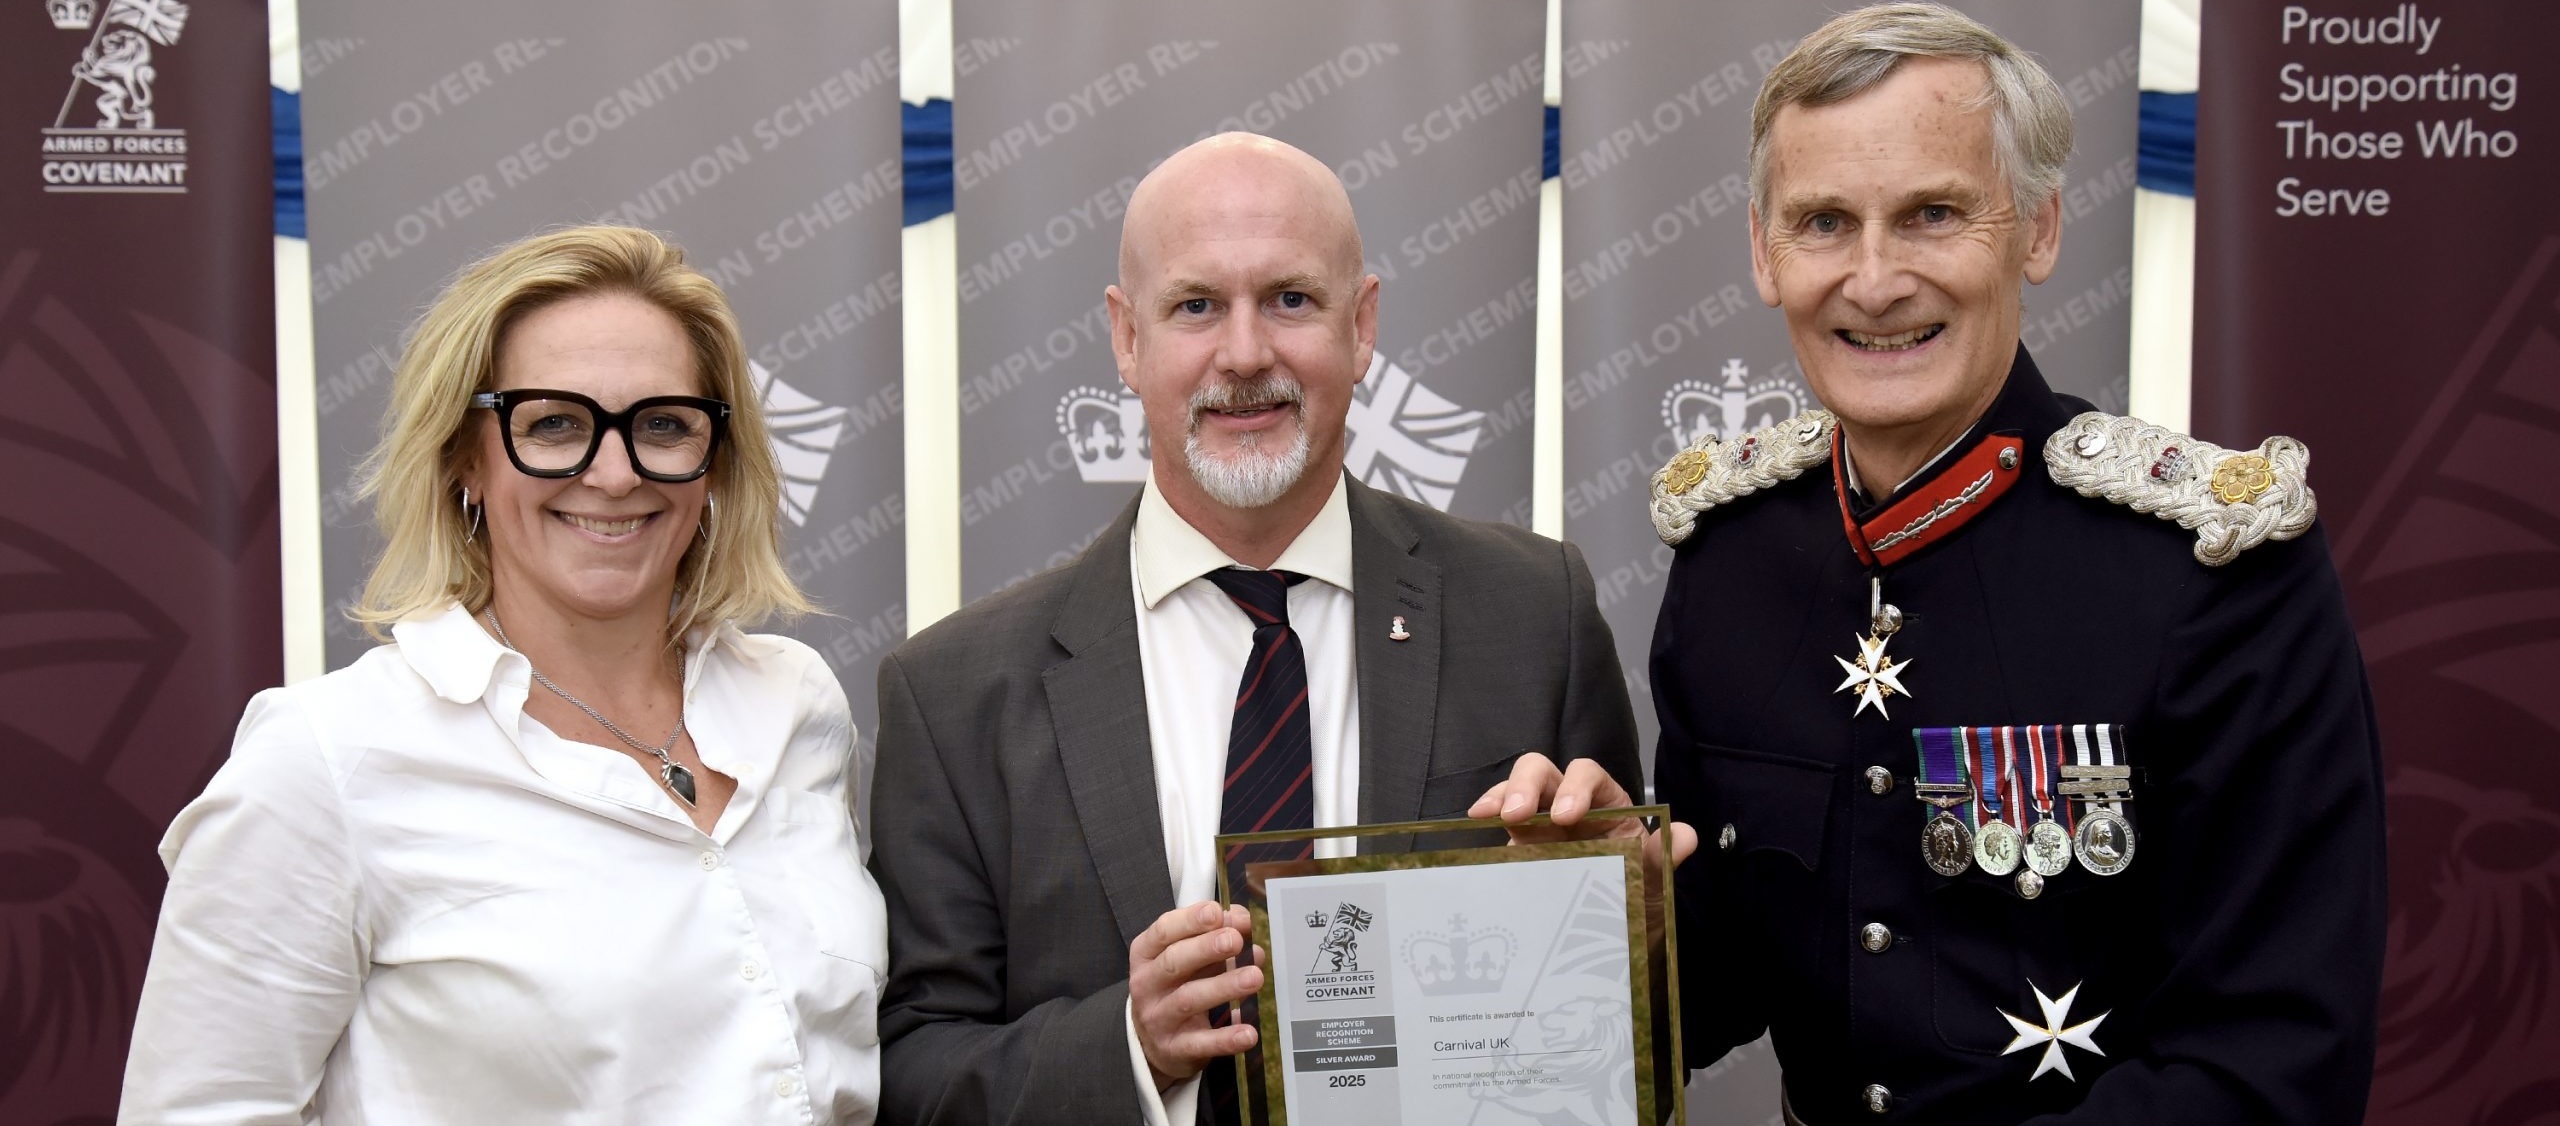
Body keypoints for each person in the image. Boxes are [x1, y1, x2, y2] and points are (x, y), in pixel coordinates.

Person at [1642, 4, 2386, 1122]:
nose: (1875, 280)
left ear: (2037, 230)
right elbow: (1713, 979)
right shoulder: (1730, 561)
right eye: (1824, 222)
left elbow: (2274, 1059)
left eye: (1932, 214)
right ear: (1764, 252)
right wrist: (1568, 901)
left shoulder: (2213, 573)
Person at [867, 132, 1645, 1126]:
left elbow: (1642, 1022)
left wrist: (1622, 921)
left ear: (1361, 325)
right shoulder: (951, 694)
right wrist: (1130, 1047)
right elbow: (912, 1070)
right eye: (1195, 306)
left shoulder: (1535, 615)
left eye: (1290, 299)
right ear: (1127, 338)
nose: (1244, 355)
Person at [119, 226, 887, 1124]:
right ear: (463, 461)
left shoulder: (796, 704)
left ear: (714, 461)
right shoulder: (327, 760)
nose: (613, 473)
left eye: (664, 425)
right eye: (554, 424)